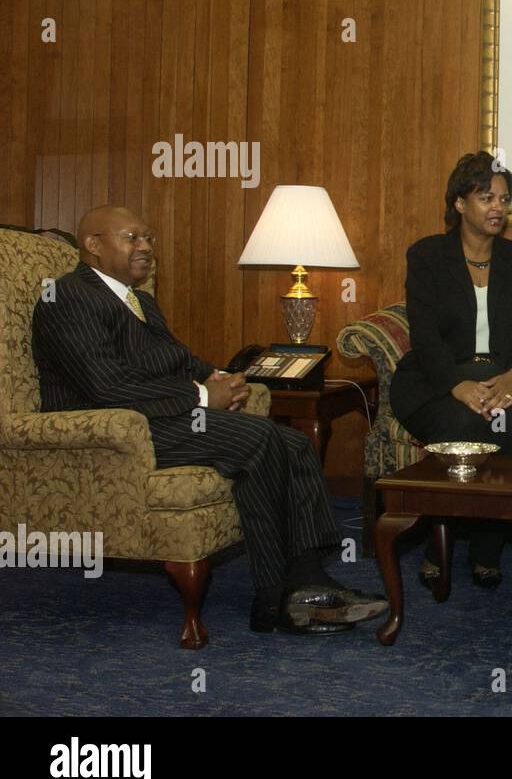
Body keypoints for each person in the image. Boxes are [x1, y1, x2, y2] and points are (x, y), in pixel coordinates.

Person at [31, 206, 388, 636]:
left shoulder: (138, 300)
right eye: (132, 238)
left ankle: (309, 584)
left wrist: (216, 376)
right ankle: (273, 600)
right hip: (112, 432)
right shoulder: (70, 296)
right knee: (259, 440)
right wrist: (202, 396)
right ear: (92, 245)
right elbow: (108, 388)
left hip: (156, 418)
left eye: (149, 238)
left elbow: (177, 359)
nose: (145, 247)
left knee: (293, 444)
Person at [390, 152, 512, 591]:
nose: (498, 207)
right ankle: (439, 541)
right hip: (435, 379)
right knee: (461, 425)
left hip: (502, 377)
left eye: (504, 198)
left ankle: (487, 550)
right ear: (459, 204)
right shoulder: (427, 256)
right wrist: (457, 386)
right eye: (486, 197)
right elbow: (424, 336)